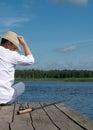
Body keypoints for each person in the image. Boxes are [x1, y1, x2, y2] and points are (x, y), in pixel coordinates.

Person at [0, 31, 35, 105]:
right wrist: (24, 44)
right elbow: (31, 60)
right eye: (14, 48)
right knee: (22, 85)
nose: (14, 50)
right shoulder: (12, 54)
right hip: (5, 99)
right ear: (9, 43)